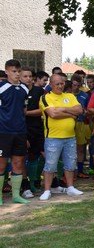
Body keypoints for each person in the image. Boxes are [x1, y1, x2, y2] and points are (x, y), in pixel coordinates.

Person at [38, 73, 85, 200]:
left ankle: (70, 187)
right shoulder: (45, 97)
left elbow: (79, 110)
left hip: (70, 137)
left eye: (62, 83)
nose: (60, 86)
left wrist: (62, 109)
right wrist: (70, 112)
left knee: (70, 163)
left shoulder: (70, 96)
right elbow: (52, 114)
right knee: (50, 165)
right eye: (57, 84)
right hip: (53, 137)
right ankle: (47, 190)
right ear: (51, 84)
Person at [0, 59, 30, 204]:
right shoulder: (1, 88)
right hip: (3, 132)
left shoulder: (25, 89)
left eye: (18, 71)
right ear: (6, 72)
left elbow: (24, 110)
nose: (17, 74)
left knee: (18, 163)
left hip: (20, 132)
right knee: (1, 165)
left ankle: (16, 196)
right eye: (14, 71)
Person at [20, 67, 45, 198]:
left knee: (37, 156)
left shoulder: (39, 91)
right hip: (20, 129)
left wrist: (27, 113)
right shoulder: (17, 91)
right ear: (20, 77)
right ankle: (24, 186)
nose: (28, 79)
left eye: (30, 76)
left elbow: (43, 110)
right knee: (21, 158)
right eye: (25, 76)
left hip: (37, 128)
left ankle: (34, 182)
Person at [70, 74, 91, 179]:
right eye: (74, 85)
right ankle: (69, 172)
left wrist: (85, 112)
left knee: (81, 149)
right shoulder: (66, 95)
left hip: (80, 123)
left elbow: (88, 109)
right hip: (69, 123)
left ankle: (80, 170)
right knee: (70, 149)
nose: (76, 87)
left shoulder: (85, 95)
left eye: (78, 85)